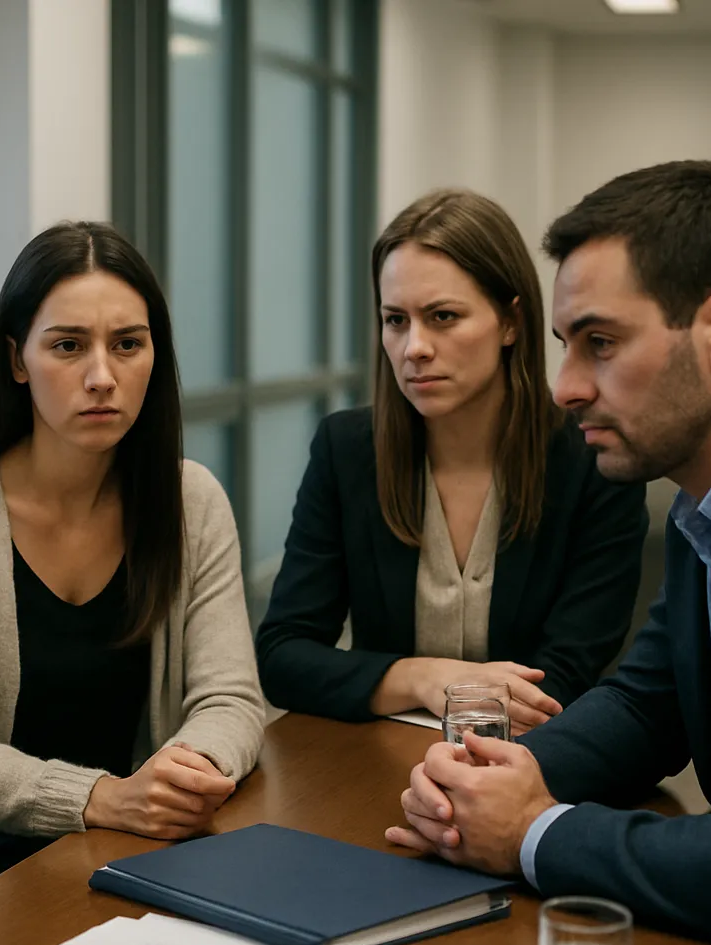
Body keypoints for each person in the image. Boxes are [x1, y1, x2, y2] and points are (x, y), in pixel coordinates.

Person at [388, 159, 711, 945]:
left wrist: (534, 832)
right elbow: (651, 702)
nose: (566, 387)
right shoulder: (701, 508)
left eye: (601, 343)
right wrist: (494, 777)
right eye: (565, 346)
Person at [0, 221, 265, 890]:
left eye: (127, 345)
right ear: (17, 360)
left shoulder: (190, 499)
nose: (101, 376)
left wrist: (185, 771)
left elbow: (231, 697)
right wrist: (104, 798)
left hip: (150, 854)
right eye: (67, 346)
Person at [256, 189, 648, 733]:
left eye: (442, 316)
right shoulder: (346, 449)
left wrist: (444, 697)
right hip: (370, 761)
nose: (414, 346)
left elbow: (568, 675)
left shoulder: (591, 457)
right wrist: (421, 678)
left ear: (510, 323)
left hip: (537, 763)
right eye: (396, 320)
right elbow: (282, 655)